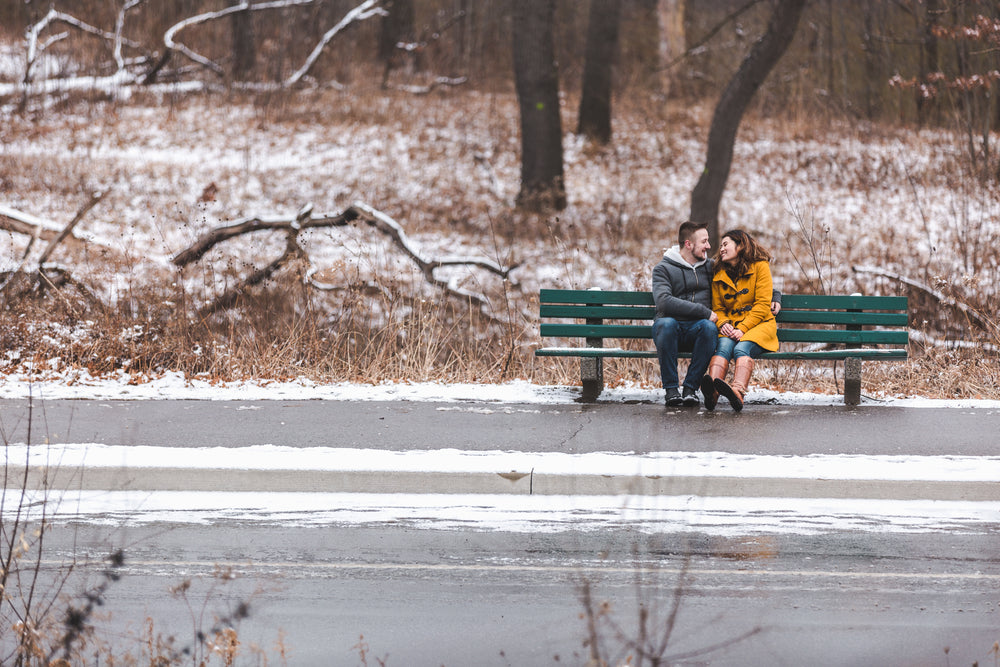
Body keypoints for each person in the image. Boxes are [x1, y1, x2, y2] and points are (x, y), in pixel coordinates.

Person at [701, 229, 779, 412]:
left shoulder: (760, 266)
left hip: (759, 324)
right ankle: (712, 391)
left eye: (726, 244)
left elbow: (762, 305)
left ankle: (737, 392)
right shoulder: (719, 272)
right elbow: (718, 307)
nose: (721, 249)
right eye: (721, 245)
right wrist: (723, 324)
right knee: (724, 347)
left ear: (740, 245)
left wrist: (743, 328)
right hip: (732, 325)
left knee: (741, 348)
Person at [651, 222, 720, 406]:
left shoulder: (711, 267)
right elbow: (664, 301)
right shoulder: (663, 269)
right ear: (688, 244)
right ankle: (671, 390)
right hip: (670, 330)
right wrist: (704, 311)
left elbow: (744, 276)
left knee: (709, 327)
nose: (709, 246)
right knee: (667, 324)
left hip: (697, 330)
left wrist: (774, 296)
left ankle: (691, 389)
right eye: (704, 241)